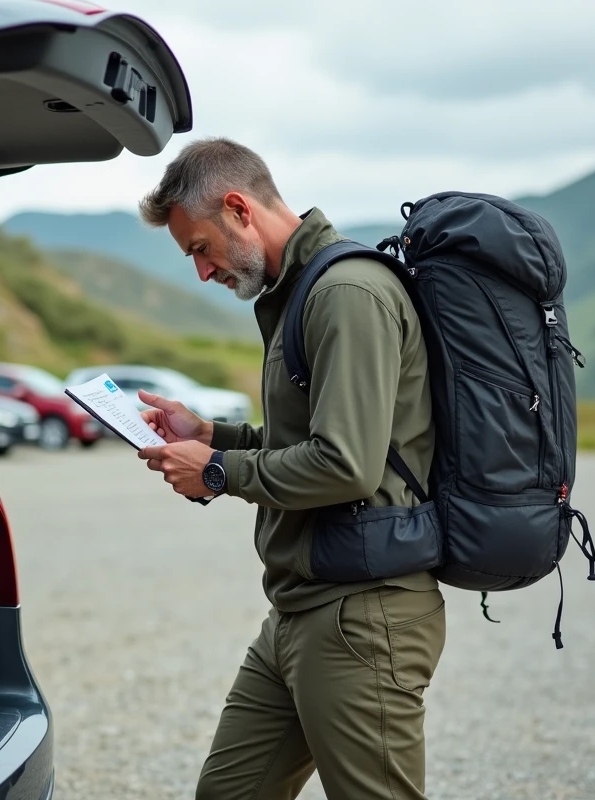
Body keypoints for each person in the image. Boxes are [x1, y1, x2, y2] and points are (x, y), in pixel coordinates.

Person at [134, 137, 447, 800]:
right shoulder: (297, 293)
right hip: (299, 610)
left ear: (239, 209)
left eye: (199, 248)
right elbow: (296, 439)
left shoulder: (347, 294)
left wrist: (218, 470)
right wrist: (210, 434)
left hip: (363, 613)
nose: (201, 271)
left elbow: (346, 465)